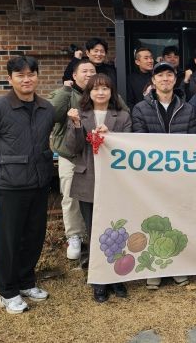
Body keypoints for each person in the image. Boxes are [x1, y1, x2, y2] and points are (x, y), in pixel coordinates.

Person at [0, 56, 55, 314]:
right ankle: (7, 291)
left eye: (31, 74)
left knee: (34, 235)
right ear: (10, 79)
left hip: (40, 181)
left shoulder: (46, 108)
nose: (27, 79)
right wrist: (4, 166)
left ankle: (26, 282)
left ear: (37, 76)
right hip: (10, 185)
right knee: (10, 239)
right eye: (20, 75)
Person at [65, 74, 131, 303]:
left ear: (112, 92)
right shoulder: (79, 115)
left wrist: (111, 137)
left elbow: (130, 147)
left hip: (115, 182)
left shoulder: (123, 116)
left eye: (105, 88)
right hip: (88, 180)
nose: (100, 92)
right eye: (95, 89)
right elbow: (72, 148)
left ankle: (116, 277)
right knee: (94, 231)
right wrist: (76, 126)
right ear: (89, 93)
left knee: (116, 230)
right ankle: (99, 280)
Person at [132, 61, 196, 289]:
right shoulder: (140, 108)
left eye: (169, 75)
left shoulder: (187, 109)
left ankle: (178, 267)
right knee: (154, 220)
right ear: (153, 81)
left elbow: (194, 142)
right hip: (152, 176)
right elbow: (139, 140)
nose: (165, 79)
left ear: (175, 80)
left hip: (180, 175)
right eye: (160, 76)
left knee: (179, 218)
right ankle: (155, 269)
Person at [49, 59, 96, 262]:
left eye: (92, 71)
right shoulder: (66, 94)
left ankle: (94, 233)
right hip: (70, 155)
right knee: (70, 196)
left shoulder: (102, 91)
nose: (89, 74)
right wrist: (64, 91)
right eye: (84, 71)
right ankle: (74, 236)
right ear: (74, 76)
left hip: (95, 154)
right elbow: (52, 114)